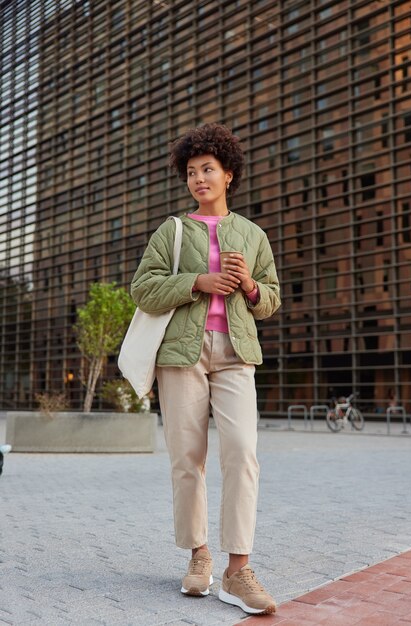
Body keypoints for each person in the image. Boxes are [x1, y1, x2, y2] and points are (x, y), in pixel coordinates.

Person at [131, 123, 281, 615]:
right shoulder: (171, 230)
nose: (199, 178)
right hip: (181, 354)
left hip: (236, 352)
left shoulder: (253, 235)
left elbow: (271, 299)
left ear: (228, 174)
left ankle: (239, 570)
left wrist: (250, 288)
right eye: (192, 172)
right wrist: (198, 279)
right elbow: (143, 289)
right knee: (186, 458)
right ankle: (199, 557)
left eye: (208, 170)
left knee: (242, 453)